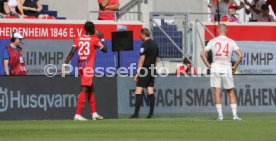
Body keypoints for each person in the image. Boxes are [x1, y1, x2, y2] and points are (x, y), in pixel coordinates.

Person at [63, 21, 107, 121]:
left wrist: (65, 64)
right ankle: (77, 114)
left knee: (90, 88)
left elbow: (72, 52)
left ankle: (94, 113)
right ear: (92, 29)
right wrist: (102, 38)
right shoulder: (94, 39)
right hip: (88, 67)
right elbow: (105, 50)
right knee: (84, 88)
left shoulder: (78, 38)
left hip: (80, 66)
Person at [200, 24, 243, 121]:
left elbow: (202, 54)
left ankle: (220, 116)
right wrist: (235, 66)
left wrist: (208, 64)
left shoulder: (213, 41)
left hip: (215, 67)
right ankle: (235, 116)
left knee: (217, 93)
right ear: (226, 30)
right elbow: (240, 55)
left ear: (218, 30)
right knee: (231, 92)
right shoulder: (231, 41)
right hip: (227, 67)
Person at [131, 28, 159, 119]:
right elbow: (156, 59)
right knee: (150, 90)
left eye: (140, 34)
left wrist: (138, 73)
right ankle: (151, 114)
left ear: (143, 34)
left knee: (138, 90)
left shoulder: (144, 44)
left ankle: (136, 114)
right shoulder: (155, 44)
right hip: (152, 69)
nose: (140, 36)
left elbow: (141, 60)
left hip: (145, 69)